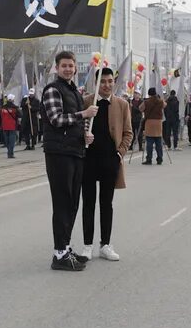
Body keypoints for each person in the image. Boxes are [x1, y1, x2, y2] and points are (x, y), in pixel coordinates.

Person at [41, 50, 97, 272]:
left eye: (70, 65)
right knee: (63, 203)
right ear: (57, 67)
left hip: (75, 151)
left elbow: (75, 121)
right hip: (59, 153)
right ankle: (59, 253)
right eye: (63, 65)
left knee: (73, 202)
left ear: (75, 68)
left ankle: (65, 247)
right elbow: (56, 119)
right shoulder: (53, 89)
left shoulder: (74, 91)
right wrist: (83, 115)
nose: (67, 69)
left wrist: (85, 134)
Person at [79, 67, 133, 262]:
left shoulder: (122, 104)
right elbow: (77, 126)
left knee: (106, 204)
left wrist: (120, 153)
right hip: (88, 161)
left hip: (110, 161)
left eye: (110, 81)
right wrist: (83, 136)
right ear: (96, 83)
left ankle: (105, 244)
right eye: (103, 81)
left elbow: (128, 133)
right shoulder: (86, 102)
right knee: (88, 203)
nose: (107, 85)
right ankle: (87, 245)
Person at [140, 87, 165, 165]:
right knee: (159, 142)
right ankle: (160, 158)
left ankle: (149, 159)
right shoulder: (160, 101)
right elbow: (165, 105)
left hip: (149, 123)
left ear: (149, 93)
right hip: (158, 123)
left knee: (149, 142)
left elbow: (140, 108)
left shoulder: (146, 102)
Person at [0, 94, 20, 158]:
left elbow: (0, 117)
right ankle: (10, 153)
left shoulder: (3, 107)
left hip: (4, 126)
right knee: (12, 141)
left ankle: (9, 152)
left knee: (7, 140)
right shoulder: (15, 108)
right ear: (13, 100)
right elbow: (20, 115)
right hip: (12, 126)